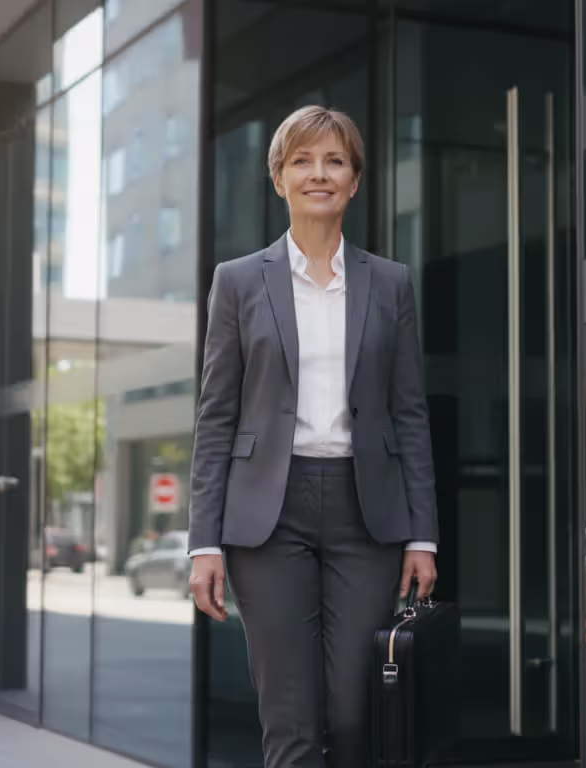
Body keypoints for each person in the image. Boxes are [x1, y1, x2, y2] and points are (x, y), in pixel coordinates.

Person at [186, 105, 439, 768]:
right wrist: (203, 542)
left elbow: (409, 413)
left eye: (334, 161)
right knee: (291, 723)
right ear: (279, 179)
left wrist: (422, 534)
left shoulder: (391, 283)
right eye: (302, 160)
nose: (318, 174)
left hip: (367, 513)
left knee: (357, 715)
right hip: (269, 517)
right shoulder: (238, 282)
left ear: (354, 181)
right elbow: (216, 416)